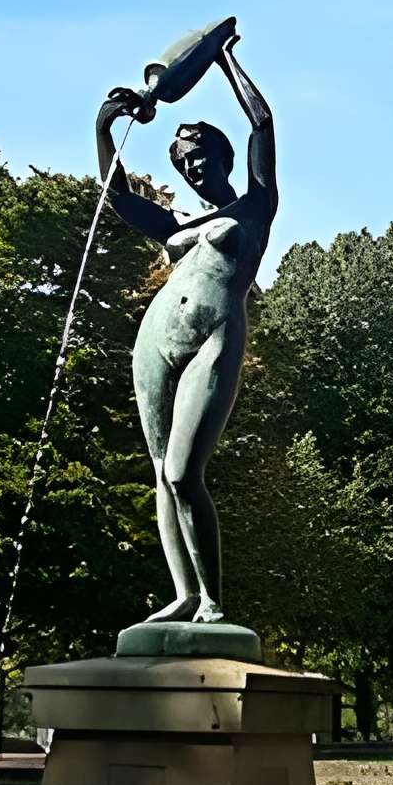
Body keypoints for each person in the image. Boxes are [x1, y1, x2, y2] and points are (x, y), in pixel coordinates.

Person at [94, 35, 276, 628]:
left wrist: (221, 58)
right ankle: (183, 595)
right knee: (159, 476)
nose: (194, 169)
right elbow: (117, 199)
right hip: (154, 344)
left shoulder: (254, 207)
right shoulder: (177, 220)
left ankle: (214, 602)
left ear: (222, 158)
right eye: (184, 163)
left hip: (215, 338)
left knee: (182, 471)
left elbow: (263, 124)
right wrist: (105, 125)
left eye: (201, 157)